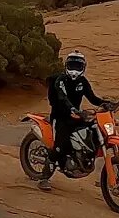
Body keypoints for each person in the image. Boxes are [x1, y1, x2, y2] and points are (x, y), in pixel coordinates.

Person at [43, 50, 109, 188]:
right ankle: (44, 178)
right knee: (60, 146)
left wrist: (106, 104)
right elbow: (62, 97)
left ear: (83, 68)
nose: (74, 69)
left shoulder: (82, 81)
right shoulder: (61, 80)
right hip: (60, 116)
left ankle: (81, 158)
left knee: (93, 131)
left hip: (77, 116)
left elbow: (92, 98)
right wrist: (71, 109)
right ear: (66, 65)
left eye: (77, 66)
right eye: (71, 65)